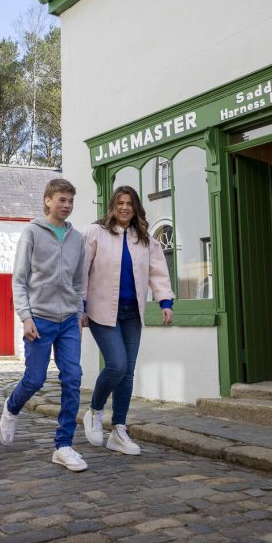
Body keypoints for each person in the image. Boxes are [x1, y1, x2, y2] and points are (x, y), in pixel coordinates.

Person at [0, 178, 88, 472]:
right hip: (39, 320)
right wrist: (25, 317)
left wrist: (79, 311)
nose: (66, 205)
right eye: (61, 199)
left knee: (73, 377)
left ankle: (63, 445)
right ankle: (11, 407)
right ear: (48, 200)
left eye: (70, 201)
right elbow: (20, 279)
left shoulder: (77, 239)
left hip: (69, 322)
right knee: (35, 379)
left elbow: (78, 281)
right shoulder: (32, 233)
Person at [81, 185, 174, 456]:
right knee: (117, 365)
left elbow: (158, 272)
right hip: (101, 310)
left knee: (128, 373)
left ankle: (119, 430)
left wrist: (165, 302)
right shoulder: (95, 233)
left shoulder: (145, 239)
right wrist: (81, 306)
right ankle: (95, 411)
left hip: (132, 313)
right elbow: (81, 271)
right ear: (113, 206)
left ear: (135, 209)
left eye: (129, 204)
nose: (124, 208)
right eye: (120, 203)